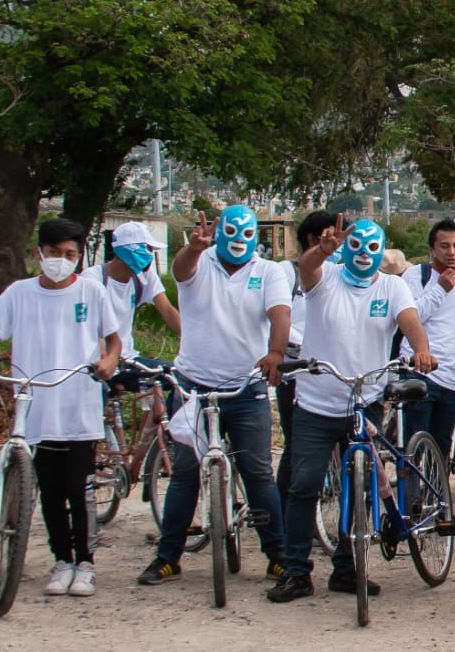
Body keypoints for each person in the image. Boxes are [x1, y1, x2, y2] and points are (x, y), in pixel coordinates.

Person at [270, 216, 436, 603]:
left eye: (371, 247)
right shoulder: (325, 276)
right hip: (315, 401)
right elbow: (306, 268)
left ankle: (348, 567)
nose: (363, 254)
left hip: (366, 400)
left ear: (381, 251)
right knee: (304, 484)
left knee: (361, 487)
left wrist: (422, 350)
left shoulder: (393, 287)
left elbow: (409, 321)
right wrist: (322, 251)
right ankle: (296, 571)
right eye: (356, 246)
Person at [139, 205, 292, 590]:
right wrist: (192, 248)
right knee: (186, 473)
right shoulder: (199, 262)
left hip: (246, 387)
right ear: (217, 232)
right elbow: (181, 271)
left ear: (256, 236)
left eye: (246, 233)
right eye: (231, 232)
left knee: (258, 473)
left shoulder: (268, 271)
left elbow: (280, 315)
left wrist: (276, 352)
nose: (238, 240)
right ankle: (167, 557)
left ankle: (278, 557)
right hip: (193, 387)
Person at [0, 218, 121, 596]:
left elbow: (114, 341)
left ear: (79, 256)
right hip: (35, 408)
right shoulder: (19, 293)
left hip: (78, 406)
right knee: (51, 492)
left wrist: (109, 362)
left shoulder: (92, 293)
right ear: (39, 253)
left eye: (70, 254)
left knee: (79, 489)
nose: (61, 260)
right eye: (54, 253)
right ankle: (62, 561)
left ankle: (85, 563)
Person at [93, 222, 180, 480]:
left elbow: (167, 312)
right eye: (145, 249)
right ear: (124, 250)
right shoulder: (93, 280)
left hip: (128, 358)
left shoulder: (144, 278)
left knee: (176, 379)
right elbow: (90, 330)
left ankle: (171, 441)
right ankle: (85, 458)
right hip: (98, 361)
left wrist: (195, 341)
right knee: (89, 404)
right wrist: (105, 360)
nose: (149, 256)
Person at [398, 219, 455, 463]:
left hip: (452, 381)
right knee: (414, 446)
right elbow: (409, 317)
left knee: (440, 450)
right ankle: (412, 499)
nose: (452, 252)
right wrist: (439, 289)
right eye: (445, 246)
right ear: (432, 249)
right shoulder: (416, 276)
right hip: (419, 375)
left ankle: (436, 498)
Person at [274, 210, 336, 495]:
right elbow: (280, 317)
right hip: (295, 372)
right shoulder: (285, 273)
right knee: (297, 445)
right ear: (313, 238)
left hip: (330, 373)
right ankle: (288, 512)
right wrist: (304, 345)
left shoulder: (338, 272)